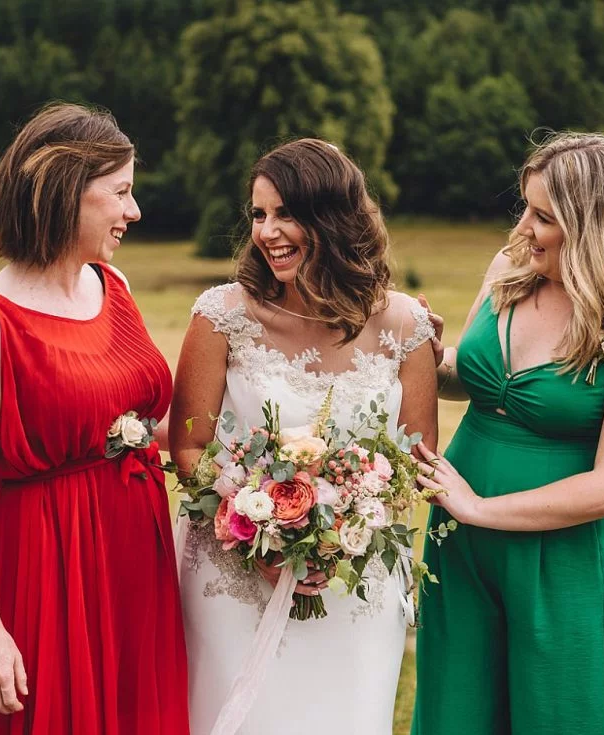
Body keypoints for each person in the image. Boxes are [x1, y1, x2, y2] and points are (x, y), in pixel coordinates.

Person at [0, 102, 189, 734]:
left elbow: (151, 421)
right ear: (63, 191)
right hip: (44, 562)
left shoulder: (115, 286)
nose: (135, 211)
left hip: (135, 551)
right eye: (122, 192)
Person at [411, 131, 604, 734]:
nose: (523, 226)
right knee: (458, 717)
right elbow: (471, 379)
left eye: (544, 216)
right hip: (461, 547)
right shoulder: (511, 270)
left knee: (565, 716)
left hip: (566, 561)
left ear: (593, 229)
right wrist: (430, 353)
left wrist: (481, 506)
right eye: (525, 207)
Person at [170, 138, 438, 734]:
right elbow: (189, 446)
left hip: (354, 583)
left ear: (335, 217)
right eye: (258, 215)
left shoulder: (406, 326)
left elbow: (417, 462)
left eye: (286, 213)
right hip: (232, 576)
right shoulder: (223, 316)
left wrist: (342, 530)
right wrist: (257, 534)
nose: (267, 232)